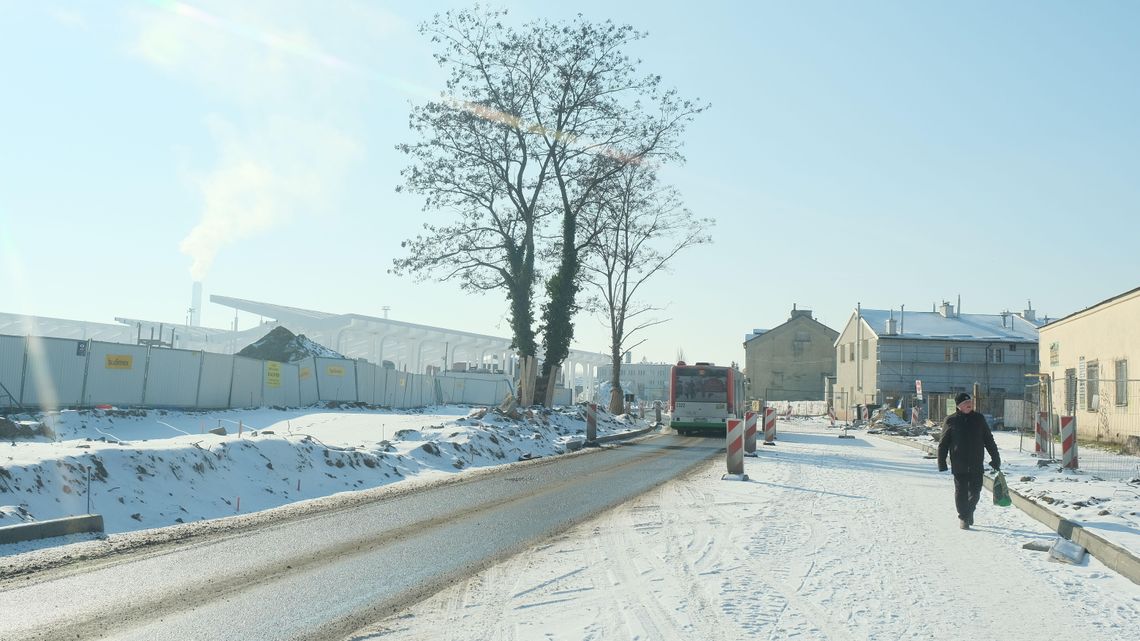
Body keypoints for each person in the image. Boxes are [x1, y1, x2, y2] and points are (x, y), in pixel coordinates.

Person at [937, 392, 1001, 529]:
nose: (969, 405)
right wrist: (941, 462)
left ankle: (968, 512)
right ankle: (963, 518)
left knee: (976, 491)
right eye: (965, 403)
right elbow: (943, 443)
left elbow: (988, 440)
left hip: (976, 462)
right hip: (959, 462)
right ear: (959, 406)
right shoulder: (951, 420)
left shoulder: (979, 419)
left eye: (970, 402)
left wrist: (995, 458)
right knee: (961, 492)